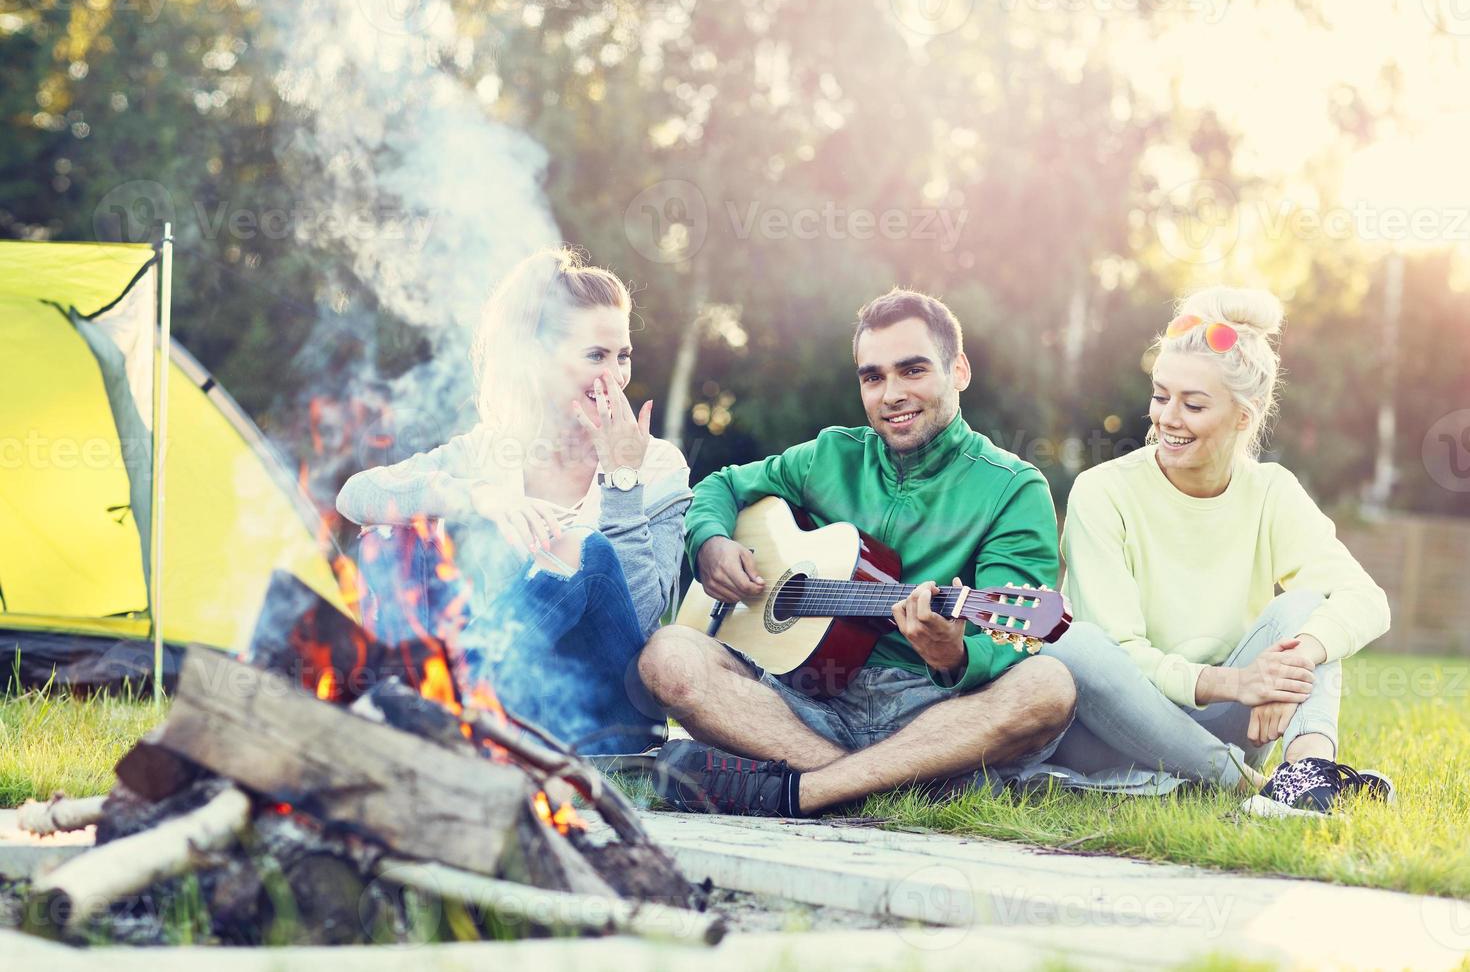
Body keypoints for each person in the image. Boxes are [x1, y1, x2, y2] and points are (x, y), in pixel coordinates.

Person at [638, 288, 1077, 817]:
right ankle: (888, 788)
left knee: (1048, 686)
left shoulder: (1013, 486)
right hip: (802, 702)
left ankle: (805, 790)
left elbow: (1017, 639)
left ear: (958, 370)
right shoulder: (830, 453)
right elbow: (722, 486)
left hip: (932, 714)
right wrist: (709, 541)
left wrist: (955, 655)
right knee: (668, 654)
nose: (891, 394)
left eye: (912, 371)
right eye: (873, 377)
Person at [1044, 287, 1394, 816]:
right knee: (1076, 643)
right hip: (1118, 723)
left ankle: (1307, 774)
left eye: (1194, 404)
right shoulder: (1102, 492)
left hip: (1233, 719)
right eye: (1161, 396)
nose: (1167, 418)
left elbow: (1366, 599)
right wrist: (1237, 682)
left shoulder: (1271, 490)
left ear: (1242, 417)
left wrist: (1299, 655)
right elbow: (1117, 655)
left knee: (1306, 612)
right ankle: (1245, 784)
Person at [336, 247, 692, 756]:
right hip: (525, 705)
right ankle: (431, 704)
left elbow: (639, 616)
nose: (615, 377)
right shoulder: (493, 449)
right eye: (596, 356)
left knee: (579, 549)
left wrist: (621, 480)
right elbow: (357, 495)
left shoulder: (657, 464)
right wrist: (477, 497)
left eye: (623, 356)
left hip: (612, 717)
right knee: (392, 533)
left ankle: (438, 709)